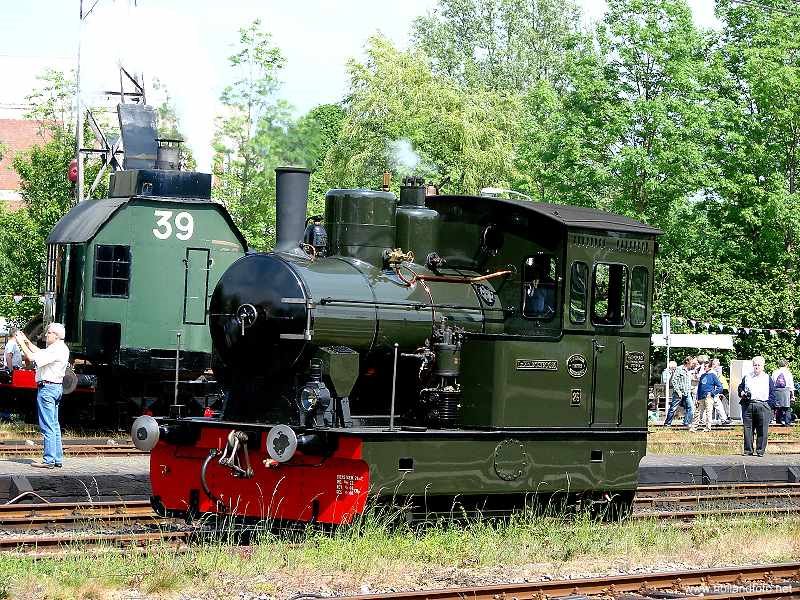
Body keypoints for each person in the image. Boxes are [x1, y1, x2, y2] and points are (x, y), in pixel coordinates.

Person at [14, 323, 69, 468]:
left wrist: (20, 343)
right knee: (55, 425)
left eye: (49, 333)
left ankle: (48, 460)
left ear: (56, 336)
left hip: (47, 388)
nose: (46, 335)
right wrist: (27, 341)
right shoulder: (61, 348)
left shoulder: (55, 349)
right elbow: (39, 352)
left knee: (47, 426)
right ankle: (57, 459)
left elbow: (32, 357)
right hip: (56, 388)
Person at [738, 356, 775, 457]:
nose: (757, 367)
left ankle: (760, 451)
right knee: (748, 429)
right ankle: (748, 450)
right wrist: (741, 392)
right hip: (748, 404)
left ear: (763, 366)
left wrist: (768, 406)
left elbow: (772, 393)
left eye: (759, 365)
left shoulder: (767, 378)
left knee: (762, 429)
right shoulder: (747, 376)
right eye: (755, 365)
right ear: (752, 366)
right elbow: (740, 387)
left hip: (762, 404)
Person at [689, 361, 723, 431]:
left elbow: (720, 387)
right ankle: (694, 427)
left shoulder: (713, 376)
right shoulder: (702, 376)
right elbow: (699, 388)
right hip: (701, 397)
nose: (704, 367)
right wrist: (697, 398)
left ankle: (708, 427)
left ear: (710, 367)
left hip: (708, 397)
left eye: (706, 366)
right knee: (697, 412)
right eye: (704, 366)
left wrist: (712, 393)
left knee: (708, 412)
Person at [663, 356, 695, 426]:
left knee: (691, 408)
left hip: (687, 393)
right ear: (687, 362)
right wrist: (678, 391)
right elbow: (674, 381)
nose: (692, 364)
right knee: (673, 408)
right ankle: (667, 423)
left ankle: (686, 423)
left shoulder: (689, 371)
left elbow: (687, 382)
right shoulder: (679, 369)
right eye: (692, 363)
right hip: (678, 393)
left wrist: (690, 389)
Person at [772, 359, 794, 426]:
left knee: (776, 407)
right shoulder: (788, 373)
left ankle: (777, 421)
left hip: (776, 391)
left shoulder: (775, 372)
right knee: (787, 408)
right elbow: (791, 385)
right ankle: (787, 423)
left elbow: (772, 383)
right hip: (786, 391)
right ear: (786, 364)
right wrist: (792, 395)